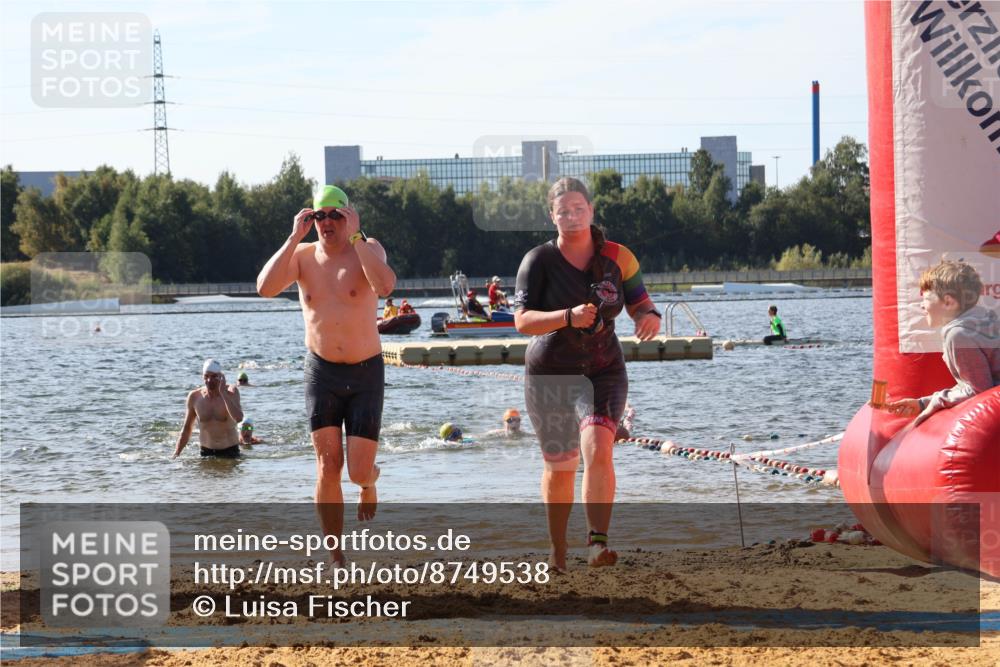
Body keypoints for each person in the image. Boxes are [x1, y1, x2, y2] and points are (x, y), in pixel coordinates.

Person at [514, 177, 661, 571]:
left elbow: (640, 302)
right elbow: (522, 321)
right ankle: (558, 550)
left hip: (602, 369)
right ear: (552, 216)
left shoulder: (618, 257)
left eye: (579, 209)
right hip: (550, 374)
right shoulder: (538, 261)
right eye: (563, 211)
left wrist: (648, 317)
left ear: (591, 211)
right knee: (560, 466)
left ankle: (597, 543)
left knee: (598, 446)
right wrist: (567, 317)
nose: (572, 217)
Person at [256, 184, 396, 566]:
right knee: (326, 465)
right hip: (321, 373)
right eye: (321, 216)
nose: (328, 222)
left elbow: (385, 287)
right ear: (311, 219)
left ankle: (370, 483)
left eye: (336, 214)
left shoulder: (368, 248)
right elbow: (264, 288)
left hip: (366, 371)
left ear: (349, 216)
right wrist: (292, 237)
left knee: (357, 472)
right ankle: (336, 555)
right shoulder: (301, 257)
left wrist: (358, 237)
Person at [887, 260, 999, 425]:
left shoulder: (959, 335)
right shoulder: (982, 319)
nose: (921, 305)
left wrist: (938, 400)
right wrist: (922, 403)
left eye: (925, 298)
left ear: (948, 302)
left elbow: (980, 392)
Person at [173, 359, 245, 459]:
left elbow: (238, 418)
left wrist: (223, 393)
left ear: (221, 377)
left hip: (230, 453)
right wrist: (176, 453)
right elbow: (187, 429)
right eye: (206, 376)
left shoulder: (231, 392)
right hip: (206, 453)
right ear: (202, 376)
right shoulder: (195, 397)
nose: (209, 380)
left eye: (214, 376)